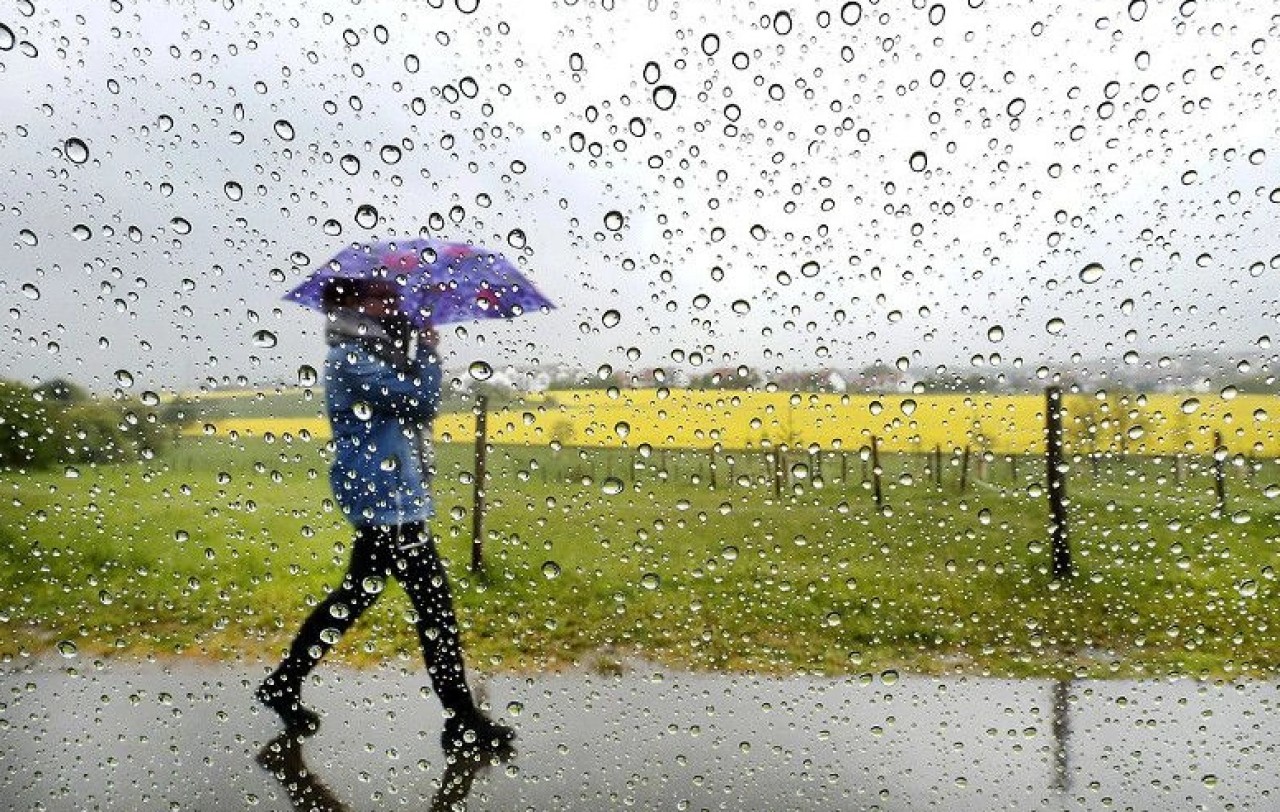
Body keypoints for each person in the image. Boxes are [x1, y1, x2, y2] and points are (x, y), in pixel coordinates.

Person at [256, 278, 514, 754]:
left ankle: (284, 683)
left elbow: (408, 406)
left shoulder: (370, 352)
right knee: (434, 607)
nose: (396, 305)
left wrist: (412, 346)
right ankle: (461, 719)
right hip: (384, 498)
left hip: (391, 493)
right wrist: (431, 352)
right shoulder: (350, 358)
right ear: (354, 305)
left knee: (356, 596)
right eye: (384, 298)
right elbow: (420, 401)